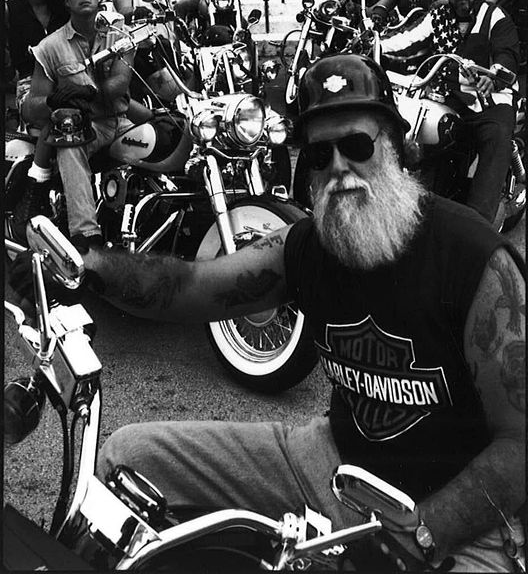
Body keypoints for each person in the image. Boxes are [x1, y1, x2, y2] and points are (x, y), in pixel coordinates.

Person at [85, 52, 525, 574]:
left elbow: (521, 441)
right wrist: (88, 268)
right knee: (129, 455)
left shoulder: (473, 258)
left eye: (356, 146)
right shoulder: (308, 247)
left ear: (396, 149)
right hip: (333, 462)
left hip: (454, 517)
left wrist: (425, 535)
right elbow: (189, 287)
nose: (338, 166)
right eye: (319, 154)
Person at [17, 0, 177, 249]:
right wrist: (54, 100)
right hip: (87, 127)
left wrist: (87, 92)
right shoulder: (50, 47)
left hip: (122, 122)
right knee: (69, 138)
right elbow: (31, 109)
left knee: (171, 134)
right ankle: (86, 237)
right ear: (66, 1)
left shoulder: (120, 36)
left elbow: (118, 84)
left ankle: (170, 215)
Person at [381, 0, 521, 224]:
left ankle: (479, 223)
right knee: (427, 135)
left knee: (495, 137)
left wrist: (494, 75)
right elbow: (408, 40)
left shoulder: (493, 15)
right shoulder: (438, 17)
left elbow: (507, 53)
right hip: (451, 96)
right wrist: (374, 45)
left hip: (491, 98)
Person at [5, 0, 68, 94]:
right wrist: (11, 73)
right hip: (27, 84)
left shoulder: (62, 9)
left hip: (62, 79)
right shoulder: (11, 8)